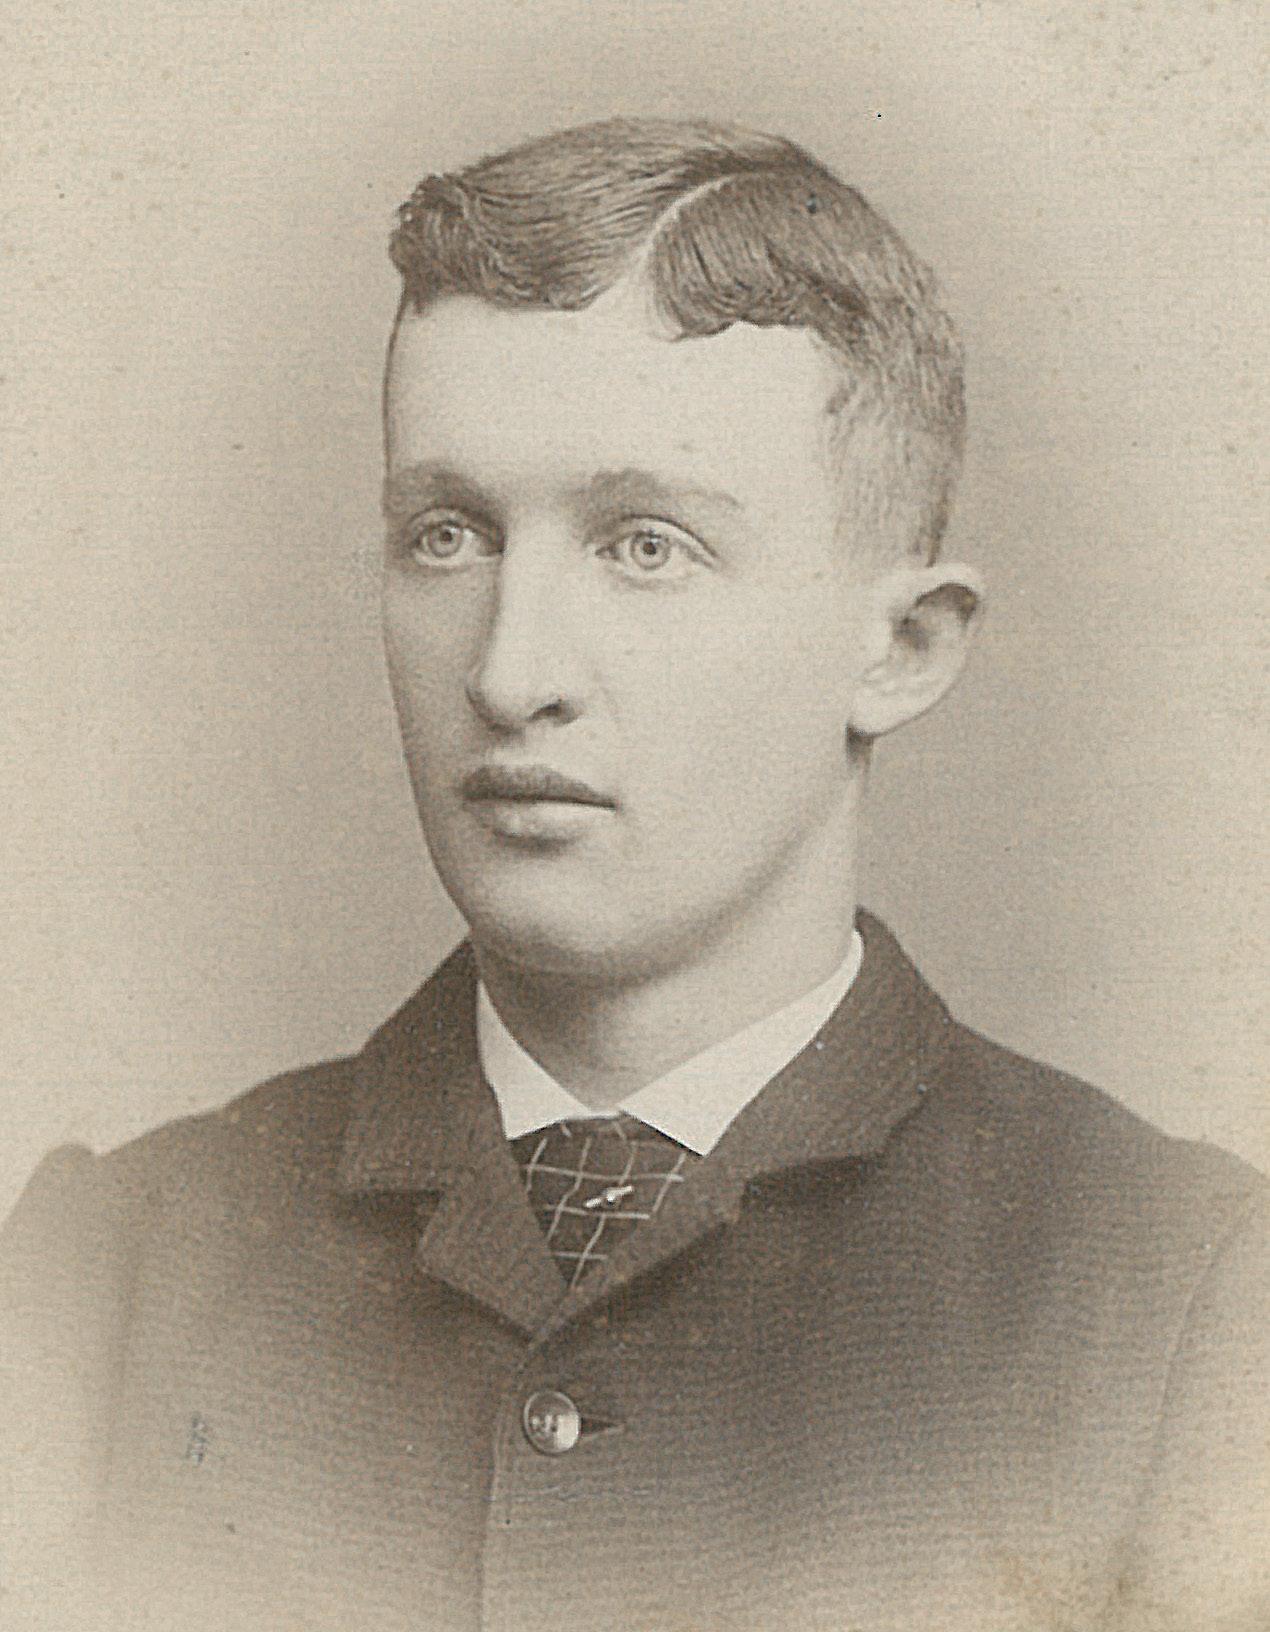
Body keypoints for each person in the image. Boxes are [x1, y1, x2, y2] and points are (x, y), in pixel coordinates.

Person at [2, 117, 1266, 1632]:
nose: (509, 672)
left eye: (645, 545)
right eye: (448, 535)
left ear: (901, 646)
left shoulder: (1185, 1301)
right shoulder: (107, 1275)